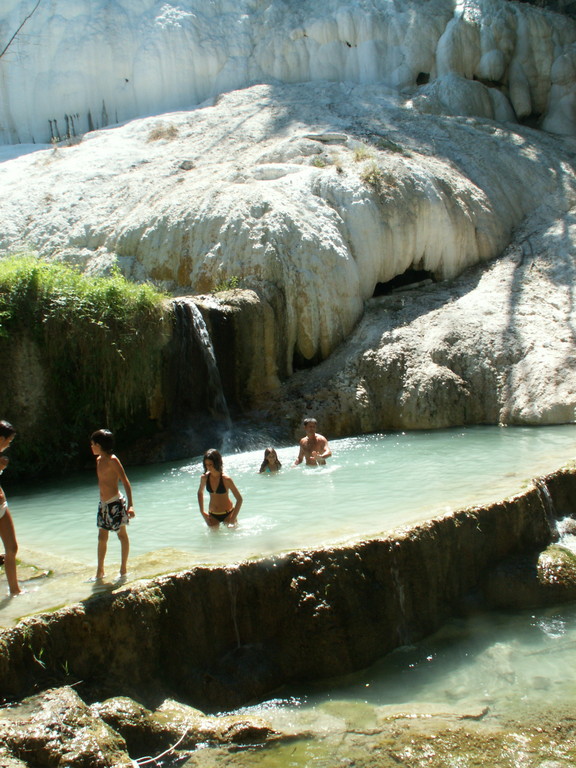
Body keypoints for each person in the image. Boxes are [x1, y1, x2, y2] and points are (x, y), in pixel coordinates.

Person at [90, 429, 135, 580]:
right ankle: (99, 571)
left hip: (115, 503)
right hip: (103, 504)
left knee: (121, 535)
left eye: (93, 444)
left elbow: (126, 482)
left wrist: (131, 505)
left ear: (99, 444)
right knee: (101, 537)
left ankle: (123, 569)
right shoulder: (99, 461)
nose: (91, 447)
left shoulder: (112, 460)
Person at [0, 420, 21, 595]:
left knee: (12, 547)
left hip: (2, 506)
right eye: (9, 440)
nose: (10, 444)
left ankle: (15, 590)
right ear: (1, 438)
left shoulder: (1, 458)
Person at [197, 448, 242, 527]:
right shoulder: (204, 478)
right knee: (213, 539)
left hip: (228, 514)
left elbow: (239, 499)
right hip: (212, 514)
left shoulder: (226, 479)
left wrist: (232, 519)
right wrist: (202, 511)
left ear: (217, 463)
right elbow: (200, 493)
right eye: (206, 464)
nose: (208, 467)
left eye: (210, 464)